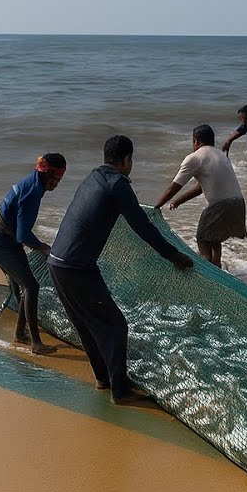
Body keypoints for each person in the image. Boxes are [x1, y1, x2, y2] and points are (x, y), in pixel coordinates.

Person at [48, 135, 194, 404]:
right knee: (116, 326)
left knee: (87, 324)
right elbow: (142, 227)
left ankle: (103, 379)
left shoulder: (94, 177)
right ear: (127, 160)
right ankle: (121, 392)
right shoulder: (117, 184)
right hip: (77, 268)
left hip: (57, 263)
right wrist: (174, 256)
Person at [0, 153, 68, 355]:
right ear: (50, 175)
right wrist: (43, 247)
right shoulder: (32, 192)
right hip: (0, 243)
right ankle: (36, 344)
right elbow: (23, 235)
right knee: (31, 286)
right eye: (57, 180)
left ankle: (21, 333)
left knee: (23, 287)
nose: (57, 185)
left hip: (3, 240)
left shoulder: (32, 184)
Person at [153, 124, 247, 268]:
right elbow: (200, 188)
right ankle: (218, 268)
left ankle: (208, 267)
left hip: (221, 206)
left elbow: (173, 188)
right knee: (214, 238)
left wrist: (155, 207)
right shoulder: (221, 155)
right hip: (239, 205)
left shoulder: (194, 158)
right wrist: (178, 201)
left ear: (195, 141)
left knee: (202, 238)